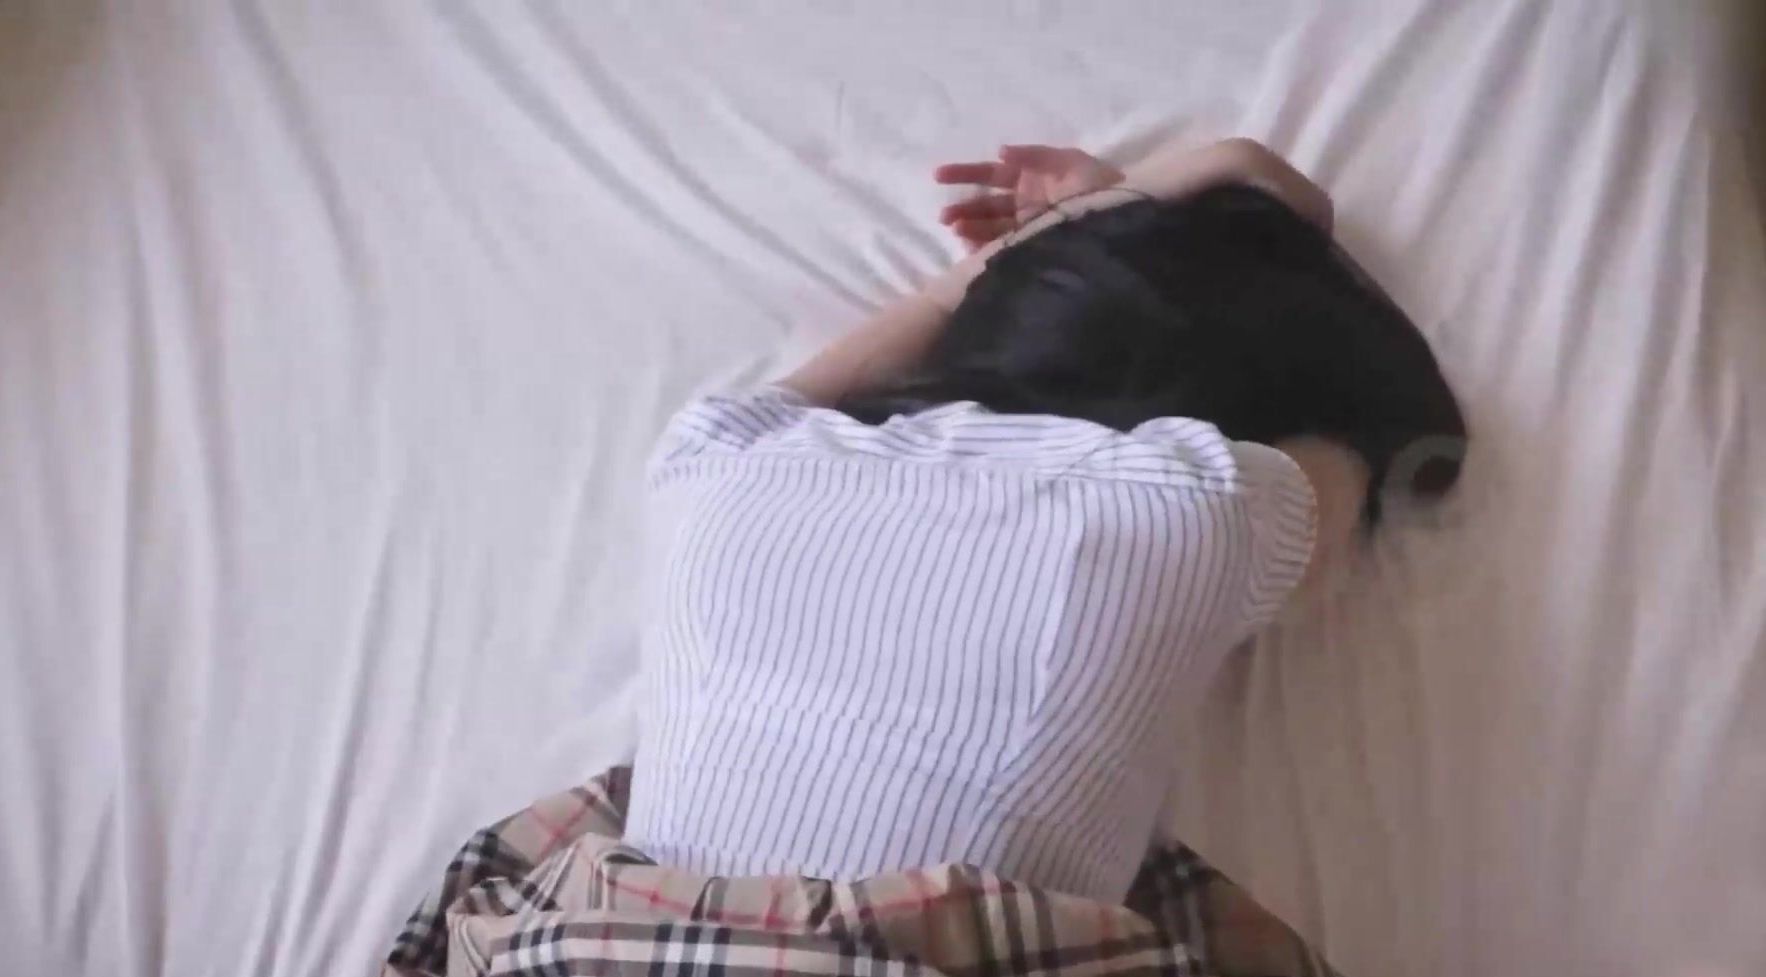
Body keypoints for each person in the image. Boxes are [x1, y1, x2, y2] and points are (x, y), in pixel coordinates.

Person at [622, 139, 1465, 901]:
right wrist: (1122, 226)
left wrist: (1122, 213)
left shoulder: (715, 456)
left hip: (615, 972)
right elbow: (1355, 445)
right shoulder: (1200, 503)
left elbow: (940, 301)